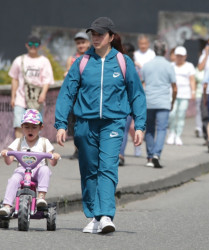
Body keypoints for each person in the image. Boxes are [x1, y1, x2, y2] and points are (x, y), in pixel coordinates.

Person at [55, 17, 146, 234]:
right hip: (85, 124)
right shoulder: (83, 62)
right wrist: (60, 124)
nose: (95, 38)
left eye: (100, 34)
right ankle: (95, 216)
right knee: (89, 170)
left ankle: (106, 215)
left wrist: (139, 124)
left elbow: (137, 95)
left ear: (111, 37)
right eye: (93, 34)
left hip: (113, 123)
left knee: (107, 167)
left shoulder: (123, 62)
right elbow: (67, 93)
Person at [0, 109, 60, 216]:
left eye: (34, 127)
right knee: (14, 179)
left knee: (45, 169)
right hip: (22, 170)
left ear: (41, 127)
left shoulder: (44, 142)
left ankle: (41, 197)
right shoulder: (18, 142)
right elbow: (9, 161)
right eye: (27, 127)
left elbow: (52, 162)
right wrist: (6, 154)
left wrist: (54, 157)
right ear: (22, 127)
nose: (30, 130)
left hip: (38, 172)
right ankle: (7, 206)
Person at [8, 35, 54, 138]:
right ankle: (19, 151)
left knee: (35, 126)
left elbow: (47, 80)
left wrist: (43, 94)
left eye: (36, 44)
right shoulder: (19, 60)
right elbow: (14, 79)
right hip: (20, 99)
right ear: (26, 45)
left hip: (37, 100)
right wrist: (13, 97)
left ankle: (33, 151)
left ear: (39, 46)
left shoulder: (44, 61)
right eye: (30, 44)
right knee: (18, 125)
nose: (33, 47)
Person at [142, 40, 177, 168]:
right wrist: (172, 101)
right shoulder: (169, 66)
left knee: (149, 129)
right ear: (165, 51)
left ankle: (150, 156)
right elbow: (174, 88)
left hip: (148, 101)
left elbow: (142, 84)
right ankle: (157, 154)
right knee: (162, 129)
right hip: (163, 102)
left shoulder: (146, 65)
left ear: (153, 50)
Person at [64, 32, 91, 160]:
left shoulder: (92, 57)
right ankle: (77, 149)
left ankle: (87, 149)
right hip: (75, 96)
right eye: (79, 43)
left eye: (83, 42)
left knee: (87, 123)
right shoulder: (72, 59)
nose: (81, 45)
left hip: (88, 95)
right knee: (74, 124)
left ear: (88, 43)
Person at [166, 46, 196, 146]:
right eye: (178, 56)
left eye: (181, 56)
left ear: (185, 56)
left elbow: (192, 80)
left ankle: (178, 135)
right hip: (172, 94)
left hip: (184, 94)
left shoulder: (189, 66)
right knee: (172, 114)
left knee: (181, 115)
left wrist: (193, 92)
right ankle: (171, 133)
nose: (179, 58)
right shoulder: (170, 66)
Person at [118, 42, 142, 166]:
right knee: (125, 129)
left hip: (124, 103)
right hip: (126, 102)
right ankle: (119, 154)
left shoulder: (126, 66)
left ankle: (120, 154)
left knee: (123, 129)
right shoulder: (133, 66)